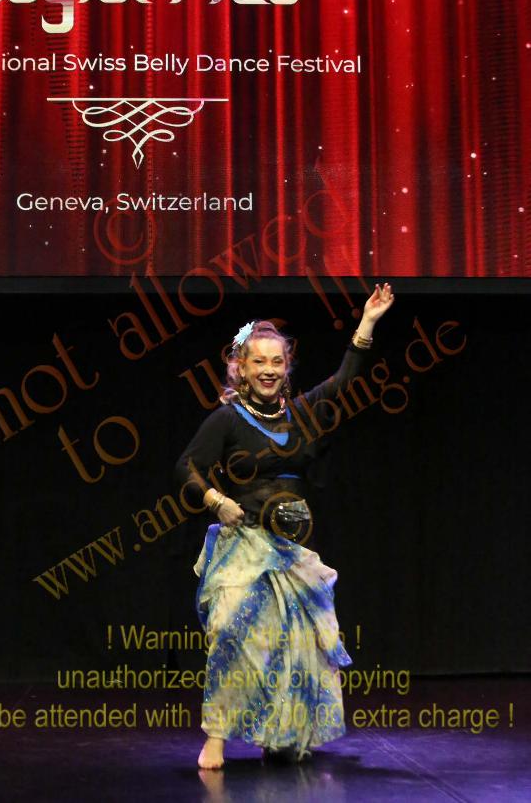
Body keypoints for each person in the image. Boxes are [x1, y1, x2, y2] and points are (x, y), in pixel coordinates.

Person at [175, 283, 395, 769]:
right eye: (259, 362)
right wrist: (216, 500)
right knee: (231, 630)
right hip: (244, 541)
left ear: (286, 368)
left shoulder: (301, 414)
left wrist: (367, 322)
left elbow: (344, 382)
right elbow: (186, 467)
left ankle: (280, 732)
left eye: (277, 362)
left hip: (292, 548)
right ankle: (216, 735)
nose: (269, 370)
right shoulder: (227, 419)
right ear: (241, 367)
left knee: (294, 642)